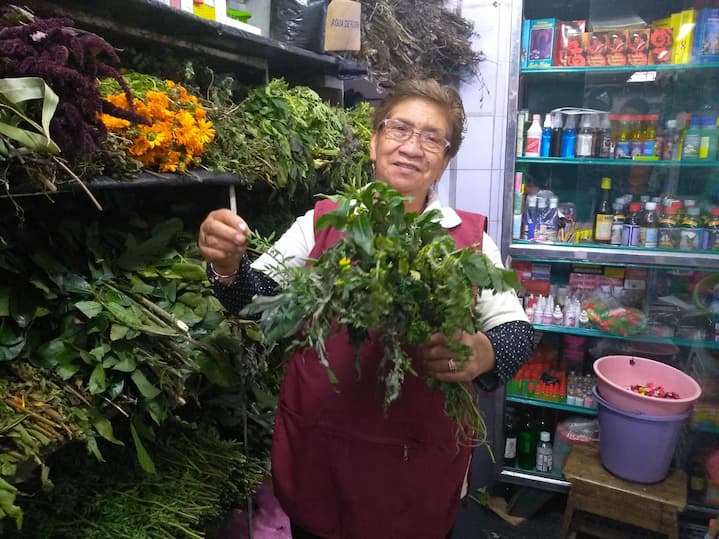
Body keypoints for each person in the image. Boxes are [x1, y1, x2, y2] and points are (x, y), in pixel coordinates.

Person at [198, 79, 534, 539]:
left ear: (445, 162)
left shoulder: (467, 242)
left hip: (414, 474)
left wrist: (483, 353)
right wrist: (229, 268)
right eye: (399, 129)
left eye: (432, 138)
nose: (412, 147)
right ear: (375, 140)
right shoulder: (322, 223)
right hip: (322, 460)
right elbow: (256, 302)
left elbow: (516, 331)